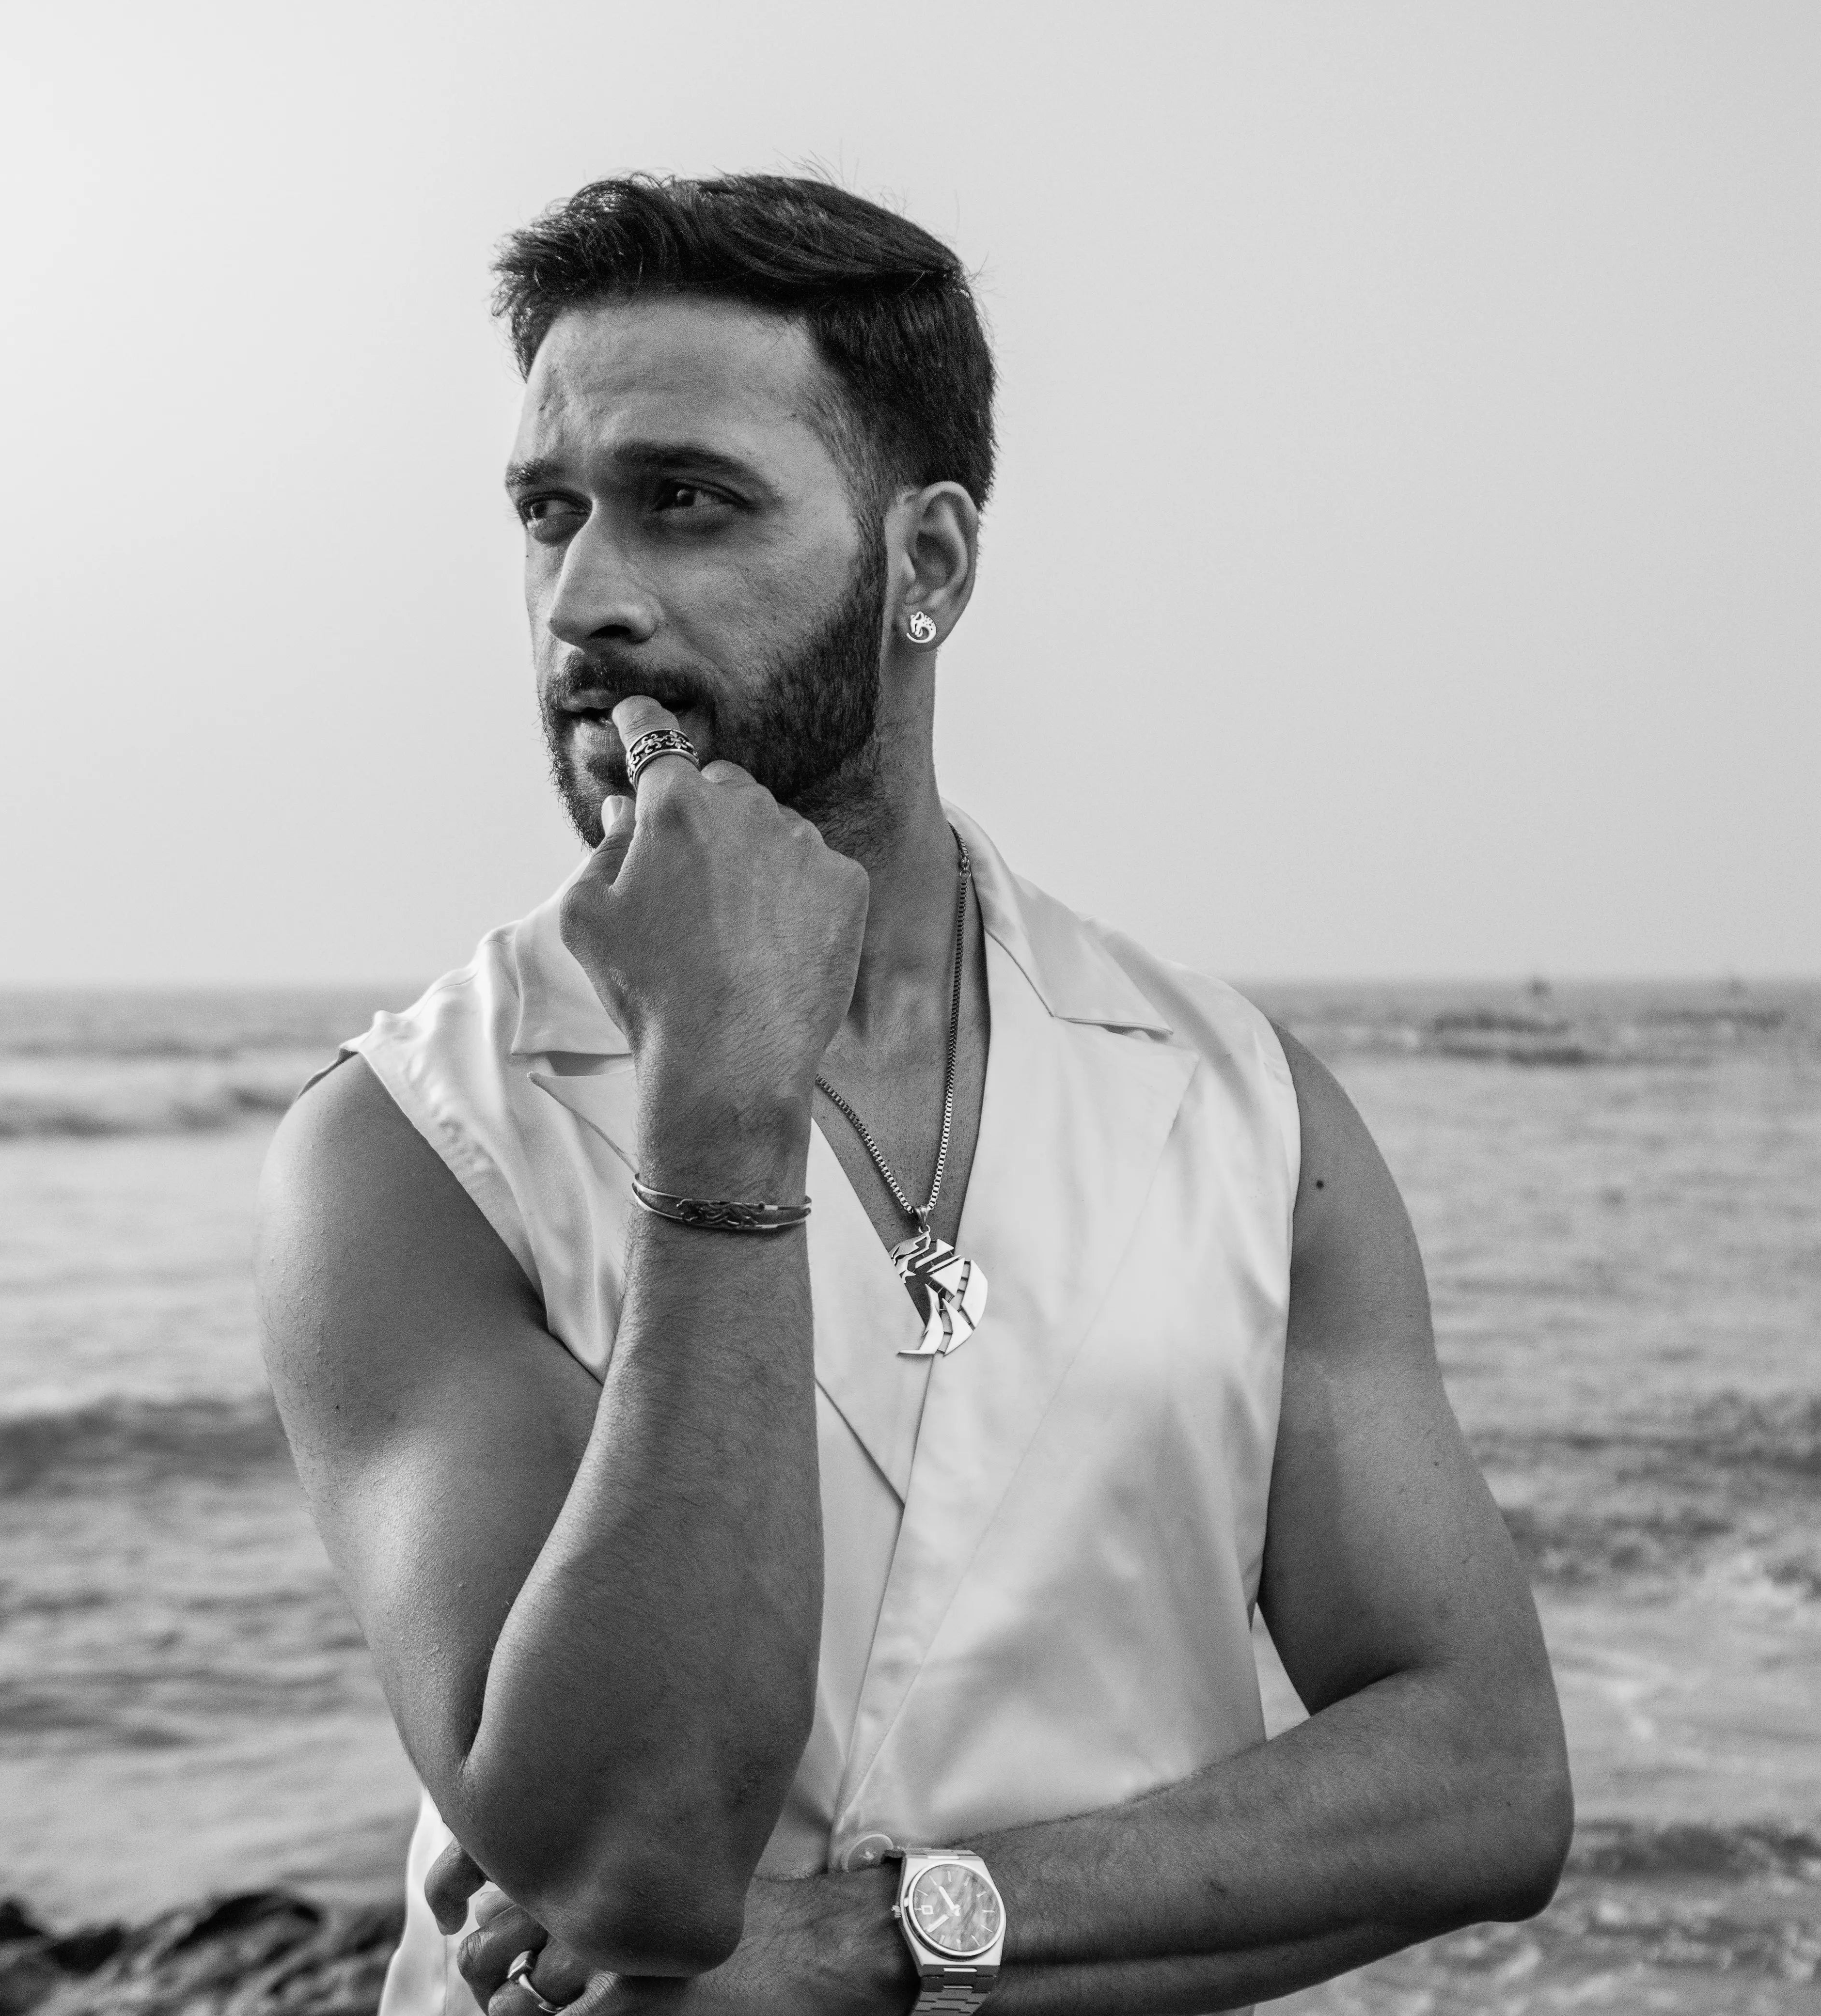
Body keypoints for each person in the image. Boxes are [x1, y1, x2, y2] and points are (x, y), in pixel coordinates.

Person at [255, 173, 1571, 2016]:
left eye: (687, 504)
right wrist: (719, 1103)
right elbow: (628, 1863)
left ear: (926, 565)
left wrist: (890, 1939)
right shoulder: (403, 1149)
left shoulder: (1241, 1110)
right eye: (549, 513)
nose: (586, 601)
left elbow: (1489, 1777)